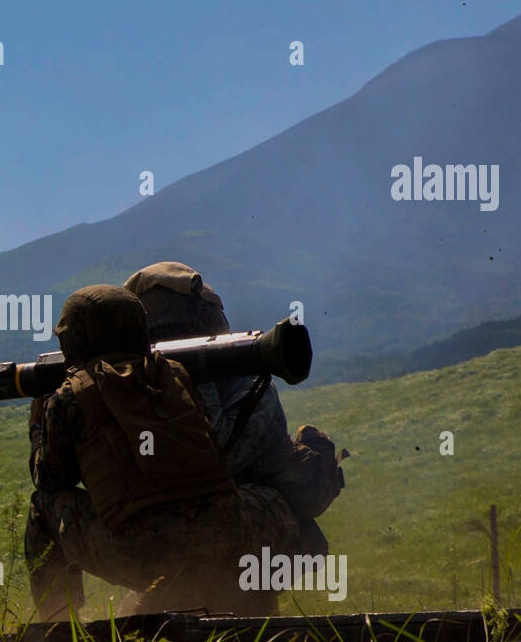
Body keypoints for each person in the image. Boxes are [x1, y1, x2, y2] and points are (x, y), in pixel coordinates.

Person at [24, 284, 300, 622]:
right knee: (270, 501)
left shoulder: (69, 396)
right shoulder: (176, 376)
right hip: (221, 542)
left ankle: (59, 627)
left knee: (43, 505)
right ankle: (246, 607)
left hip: (140, 555)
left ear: (73, 340)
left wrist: (39, 428)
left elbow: (52, 479)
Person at [122, 261, 343, 575]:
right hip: (206, 534)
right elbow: (222, 459)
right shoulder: (249, 388)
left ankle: (56, 616)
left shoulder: (110, 383)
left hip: (134, 534)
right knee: (304, 532)